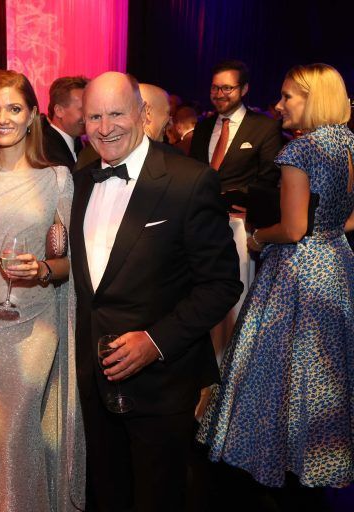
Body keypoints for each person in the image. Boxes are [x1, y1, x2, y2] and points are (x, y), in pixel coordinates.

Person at [71, 72, 242, 511]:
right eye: (94, 116)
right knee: (106, 494)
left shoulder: (189, 181)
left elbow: (221, 284)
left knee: (157, 497)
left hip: (160, 382)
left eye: (116, 113)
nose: (105, 127)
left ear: (143, 115)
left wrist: (155, 341)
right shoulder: (81, 180)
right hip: (95, 376)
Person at [198, 63, 354, 489]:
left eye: (288, 97)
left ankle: (272, 453)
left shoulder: (299, 152)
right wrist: (328, 231)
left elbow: (293, 229)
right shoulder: (347, 144)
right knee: (325, 367)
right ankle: (319, 456)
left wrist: (258, 237)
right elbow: (348, 219)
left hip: (298, 271)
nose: (278, 105)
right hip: (337, 265)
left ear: (312, 99)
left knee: (275, 369)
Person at [0, 69, 84, 512]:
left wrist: (44, 268)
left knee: (17, 430)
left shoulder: (57, 180)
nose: (2, 118)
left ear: (32, 116)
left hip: (35, 327)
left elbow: (68, 262)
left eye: (13, 108)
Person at [189, 60, 283, 192]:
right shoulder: (202, 127)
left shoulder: (265, 127)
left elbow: (268, 178)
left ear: (244, 89)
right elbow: (193, 169)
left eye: (227, 88)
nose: (219, 94)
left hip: (239, 209)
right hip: (199, 208)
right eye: (215, 88)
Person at [42, 75, 88, 170]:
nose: (89, 115)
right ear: (59, 111)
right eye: (82, 109)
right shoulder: (44, 150)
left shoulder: (80, 144)